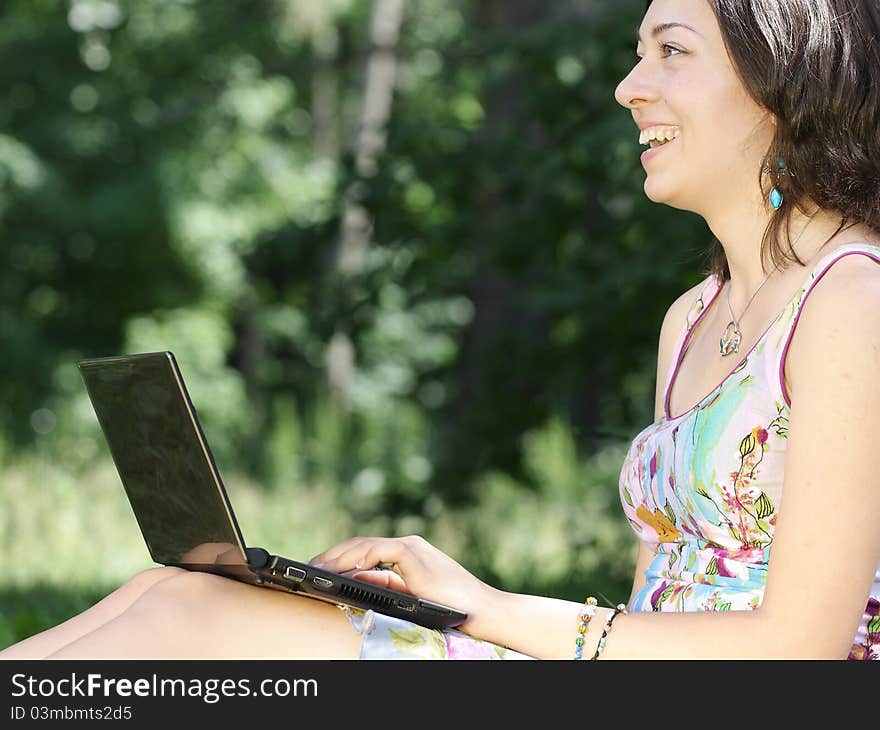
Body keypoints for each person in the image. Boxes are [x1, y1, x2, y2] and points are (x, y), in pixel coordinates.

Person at [3, 0, 880, 661]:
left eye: (671, 52)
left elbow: (800, 646)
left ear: (783, 81)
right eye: (635, 52)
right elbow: (653, 603)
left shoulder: (851, 301)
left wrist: (481, 607)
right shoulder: (692, 319)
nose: (629, 86)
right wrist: (453, 610)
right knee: (171, 589)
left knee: (191, 623)